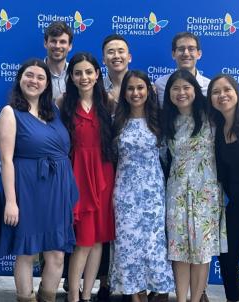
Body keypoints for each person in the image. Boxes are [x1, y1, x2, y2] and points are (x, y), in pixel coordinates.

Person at [0, 59, 78, 302]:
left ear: (47, 83)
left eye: (40, 77)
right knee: (26, 253)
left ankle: (47, 297)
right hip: (28, 189)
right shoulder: (10, 112)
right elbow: (6, 160)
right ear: (20, 79)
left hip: (57, 189)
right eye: (29, 76)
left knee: (57, 254)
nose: (34, 81)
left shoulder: (53, 111)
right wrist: (11, 201)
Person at [109, 70, 174, 302]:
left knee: (152, 245)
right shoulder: (116, 121)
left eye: (140, 88)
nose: (135, 93)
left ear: (149, 90)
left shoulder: (160, 121)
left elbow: (167, 155)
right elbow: (113, 156)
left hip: (154, 195)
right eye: (130, 88)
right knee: (128, 247)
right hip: (125, 194)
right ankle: (136, 297)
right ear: (124, 92)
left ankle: (157, 291)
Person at [162, 69, 227, 302]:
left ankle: (196, 297)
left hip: (206, 193)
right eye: (176, 88)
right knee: (178, 250)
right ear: (168, 93)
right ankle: (180, 298)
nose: (181, 93)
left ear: (195, 90)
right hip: (176, 192)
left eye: (186, 87)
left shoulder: (211, 117)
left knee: (202, 251)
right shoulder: (166, 122)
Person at [58, 52, 115, 302]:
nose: (84, 77)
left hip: (104, 173)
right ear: (71, 76)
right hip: (77, 173)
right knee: (83, 240)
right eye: (78, 72)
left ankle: (87, 295)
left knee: (99, 240)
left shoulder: (109, 101)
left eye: (89, 72)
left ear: (97, 74)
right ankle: (73, 295)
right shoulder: (63, 103)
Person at [207, 74, 239, 302]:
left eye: (227, 90)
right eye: (216, 92)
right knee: (226, 255)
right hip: (238, 204)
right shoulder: (218, 131)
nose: (222, 95)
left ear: (236, 92)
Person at [96, 34, 132, 302]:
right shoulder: (96, 88)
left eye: (121, 51)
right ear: (104, 58)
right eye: (110, 52)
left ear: (129, 57)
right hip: (105, 165)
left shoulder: (144, 87)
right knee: (105, 226)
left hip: (136, 170)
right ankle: (106, 283)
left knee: (134, 229)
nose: (116, 56)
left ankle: (137, 286)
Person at [155, 32, 210, 107]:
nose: (186, 53)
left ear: (199, 54)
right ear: (173, 54)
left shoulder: (209, 86)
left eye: (191, 49)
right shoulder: (160, 84)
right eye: (181, 49)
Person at [44, 21, 73, 100]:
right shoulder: (35, 75)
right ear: (45, 43)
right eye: (53, 41)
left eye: (62, 42)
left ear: (70, 46)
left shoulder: (76, 74)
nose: (57, 46)